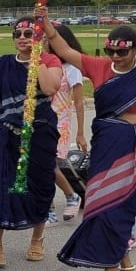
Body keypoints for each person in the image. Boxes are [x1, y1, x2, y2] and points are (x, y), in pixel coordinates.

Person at [47, 23, 136, 271]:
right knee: (98, 203)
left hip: (135, 144)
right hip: (105, 142)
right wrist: (47, 24)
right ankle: (125, 267)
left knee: (120, 206)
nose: (115, 57)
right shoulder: (100, 67)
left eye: (121, 52)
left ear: (135, 48)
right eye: (110, 51)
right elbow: (64, 49)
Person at [0, 18, 63, 267]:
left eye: (28, 33)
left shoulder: (49, 61)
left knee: (39, 186)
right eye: (17, 33)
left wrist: (36, 56)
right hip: (4, 132)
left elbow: (50, 87)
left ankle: (37, 239)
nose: (22, 37)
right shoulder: (2, 64)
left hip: (38, 133)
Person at [47, 23, 87, 222]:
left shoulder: (72, 69)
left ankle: (70, 197)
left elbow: (79, 102)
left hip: (60, 123)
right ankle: (55, 204)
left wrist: (80, 132)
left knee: (49, 164)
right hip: (42, 121)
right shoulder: (45, 65)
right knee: (42, 165)